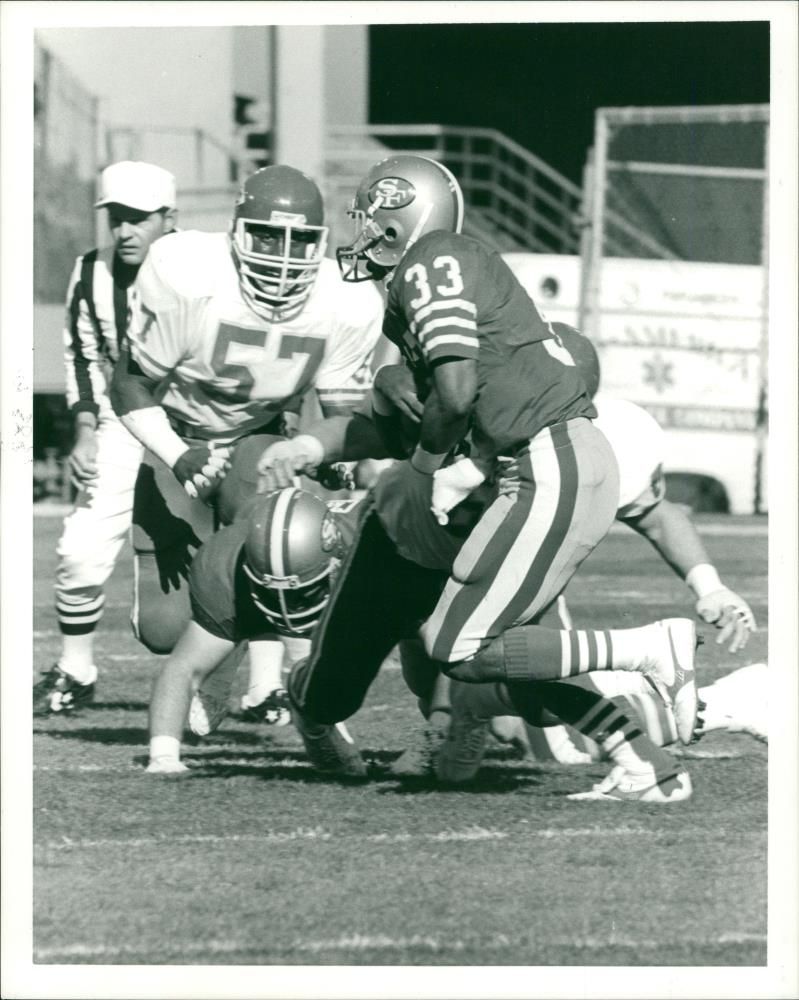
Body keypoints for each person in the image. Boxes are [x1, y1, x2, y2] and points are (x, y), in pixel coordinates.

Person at [256, 154, 703, 803]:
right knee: (447, 655)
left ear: (399, 218)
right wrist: (305, 443)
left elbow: (457, 392)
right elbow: (393, 416)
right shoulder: (437, 321)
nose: (361, 232)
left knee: (471, 651)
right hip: (437, 527)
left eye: (372, 217)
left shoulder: (434, 262)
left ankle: (643, 651)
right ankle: (647, 766)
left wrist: (423, 471)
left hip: (530, 477)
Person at [109, 164, 384, 723]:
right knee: (161, 630)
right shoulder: (188, 273)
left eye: (300, 239)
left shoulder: (345, 299)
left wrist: (334, 461)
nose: (282, 255)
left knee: (272, 555)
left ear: (321, 243)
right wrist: (177, 454)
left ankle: (277, 692)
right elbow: (128, 381)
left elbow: (339, 411)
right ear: (236, 232)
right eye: (266, 234)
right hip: (178, 435)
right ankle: (216, 656)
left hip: (259, 441)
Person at [34, 161, 178, 714]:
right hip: (121, 422)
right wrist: (86, 428)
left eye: (139, 219)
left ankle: (266, 684)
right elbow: (85, 356)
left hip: (193, 420)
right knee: (79, 549)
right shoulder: (90, 272)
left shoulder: (202, 267)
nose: (124, 231)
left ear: (169, 219)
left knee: (240, 542)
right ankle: (76, 668)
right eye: (117, 218)